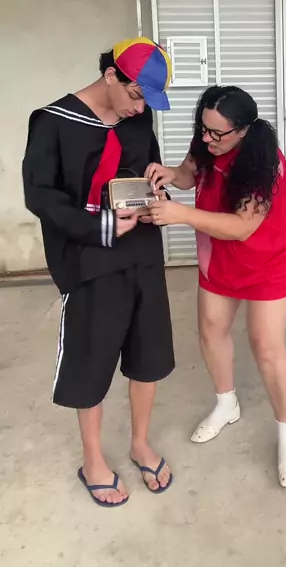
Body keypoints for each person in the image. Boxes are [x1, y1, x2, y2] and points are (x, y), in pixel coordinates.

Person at [22, 37, 175, 507]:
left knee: (148, 352)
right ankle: (92, 459)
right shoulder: (52, 121)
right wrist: (100, 226)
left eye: (147, 102)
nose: (139, 109)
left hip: (142, 249)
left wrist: (157, 191)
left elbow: (141, 169)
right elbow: (41, 196)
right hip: (88, 257)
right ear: (111, 75)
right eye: (135, 95)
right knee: (91, 356)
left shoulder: (137, 118)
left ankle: (140, 443)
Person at [147, 85, 286, 488]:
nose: (207, 139)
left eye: (217, 133)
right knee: (211, 329)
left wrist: (181, 214)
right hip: (219, 254)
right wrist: (172, 174)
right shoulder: (207, 142)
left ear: (244, 130)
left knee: (266, 344)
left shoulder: (264, 162)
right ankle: (226, 403)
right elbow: (190, 173)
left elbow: (242, 227)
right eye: (203, 128)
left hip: (269, 257)